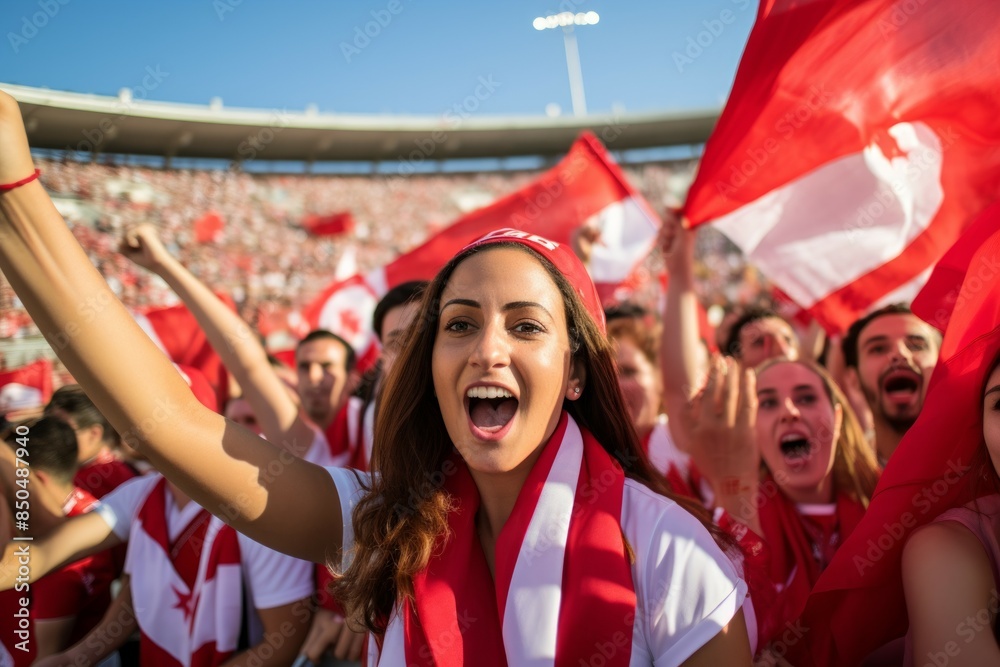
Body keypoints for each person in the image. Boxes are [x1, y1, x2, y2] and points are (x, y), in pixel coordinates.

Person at [0, 92, 752, 664]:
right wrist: (16, 189)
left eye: (525, 325)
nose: (487, 348)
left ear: (578, 373)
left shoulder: (671, 555)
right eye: (458, 323)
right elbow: (167, 419)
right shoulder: (380, 525)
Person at [685, 355, 879, 652]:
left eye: (806, 397)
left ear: (837, 419)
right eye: (768, 403)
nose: (789, 411)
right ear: (748, 427)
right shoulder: (745, 514)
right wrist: (735, 487)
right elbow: (746, 630)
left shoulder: (888, 508)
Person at [0, 417, 115, 665]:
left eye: (8, 485)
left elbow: (44, 658)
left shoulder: (64, 566)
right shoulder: (88, 507)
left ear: (36, 481)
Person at [606, 303, 709, 503]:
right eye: (606, 374)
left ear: (659, 379)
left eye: (628, 371)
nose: (615, 385)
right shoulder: (583, 455)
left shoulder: (674, 439)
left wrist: (680, 277)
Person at [840, 303, 941, 464]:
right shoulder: (846, 480)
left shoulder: (988, 464)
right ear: (854, 379)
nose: (900, 353)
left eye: (916, 345)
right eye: (878, 349)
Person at [45, 385, 137, 499]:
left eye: (62, 430)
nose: (51, 437)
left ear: (94, 434)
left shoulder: (111, 478)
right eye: (47, 428)